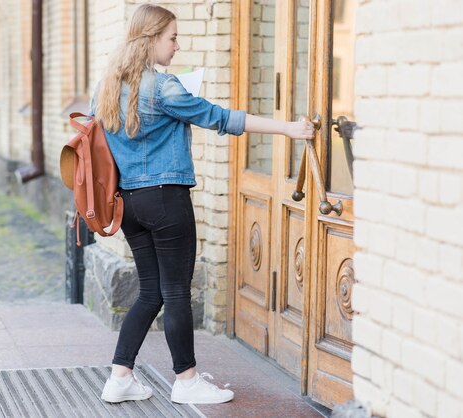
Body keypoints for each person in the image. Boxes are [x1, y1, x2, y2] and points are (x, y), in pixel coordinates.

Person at [91, 4, 315, 405]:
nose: (177, 46)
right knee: (175, 291)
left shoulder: (106, 87)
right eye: (172, 37)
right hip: (165, 201)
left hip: (128, 205)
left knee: (150, 292)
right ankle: (187, 380)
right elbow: (219, 117)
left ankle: (119, 377)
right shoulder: (163, 87)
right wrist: (288, 128)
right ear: (150, 39)